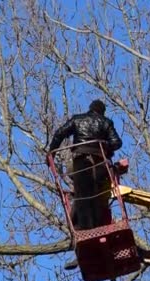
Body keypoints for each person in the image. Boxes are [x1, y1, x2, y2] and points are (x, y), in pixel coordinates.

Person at [47, 100, 122, 269]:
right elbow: (117, 142)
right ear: (102, 112)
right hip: (99, 165)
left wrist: (50, 151)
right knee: (95, 198)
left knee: (82, 198)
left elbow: (59, 133)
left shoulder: (77, 119)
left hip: (79, 165)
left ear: (90, 109)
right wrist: (105, 148)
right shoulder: (106, 122)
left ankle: (84, 242)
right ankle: (96, 239)